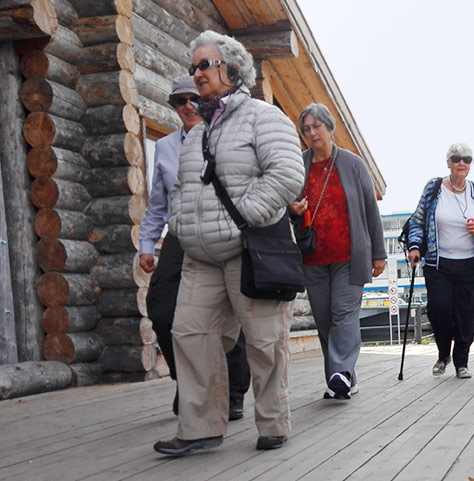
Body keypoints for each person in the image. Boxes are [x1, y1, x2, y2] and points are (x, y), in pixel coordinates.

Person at [153, 30, 304, 456]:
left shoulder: (264, 117)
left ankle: (273, 423)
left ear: (232, 69)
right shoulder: (197, 133)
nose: (196, 73)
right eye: (193, 66)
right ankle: (200, 427)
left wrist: (242, 221)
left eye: (204, 64)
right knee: (189, 334)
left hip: (247, 249)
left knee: (264, 341)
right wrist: (185, 226)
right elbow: (182, 189)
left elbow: (286, 176)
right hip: (200, 256)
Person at [138, 75, 251, 421]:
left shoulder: (223, 137)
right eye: (179, 101)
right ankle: (188, 383)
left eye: (193, 99)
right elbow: (158, 203)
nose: (188, 105)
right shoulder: (167, 147)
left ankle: (231, 392)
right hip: (181, 232)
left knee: (229, 311)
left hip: (221, 229)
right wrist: (146, 244)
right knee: (161, 307)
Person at [287, 102, 386, 400]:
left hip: (348, 255)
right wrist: (293, 210)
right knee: (325, 319)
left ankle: (339, 373)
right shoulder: (298, 165)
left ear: (330, 128)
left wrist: (378, 253)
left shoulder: (353, 165)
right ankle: (342, 379)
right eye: (306, 129)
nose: (312, 133)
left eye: (317, 126)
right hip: (313, 256)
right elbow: (287, 209)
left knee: (344, 314)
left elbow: (370, 210)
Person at [406, 143, 474, 379]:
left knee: (468, 317)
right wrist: (414, 247)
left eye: (467, 159)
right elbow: (417, 221)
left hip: (472, 265)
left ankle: (461, 362)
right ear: (448, 162)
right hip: (439, 264)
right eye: (456, 158)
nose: (462, 163)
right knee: (439, 312)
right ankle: (443, 354)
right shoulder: (434, 188)